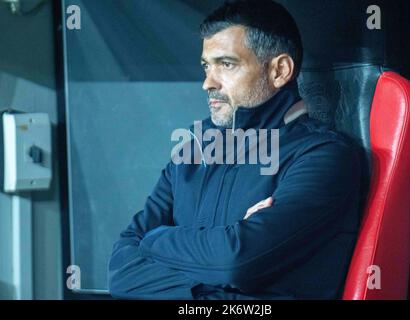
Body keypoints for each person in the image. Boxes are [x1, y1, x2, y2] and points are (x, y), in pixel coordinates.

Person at [108, 0, 361, 300]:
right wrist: (211, 283)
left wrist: (155, 238)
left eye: (226, 64)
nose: (207, 83)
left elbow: (235, 261)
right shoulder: (193, 152)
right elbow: (121, 274)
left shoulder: (323, 156)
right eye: (206, 66)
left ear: (279, 70)